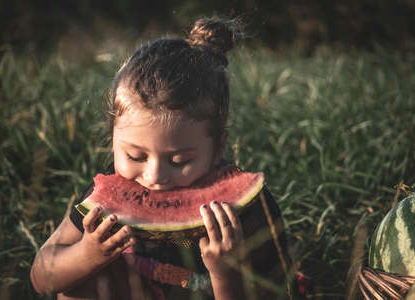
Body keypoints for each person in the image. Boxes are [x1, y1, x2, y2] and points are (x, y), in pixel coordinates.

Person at [30, 17, 292, 300]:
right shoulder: (110, 193)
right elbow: (41, 277)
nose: (154, 176)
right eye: (134, 155)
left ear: (218, 147)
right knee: (78, 284)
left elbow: (280, 293)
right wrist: (86, 255)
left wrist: (225, 274)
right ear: (112, 138)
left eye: (179, 161)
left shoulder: (249, 210)